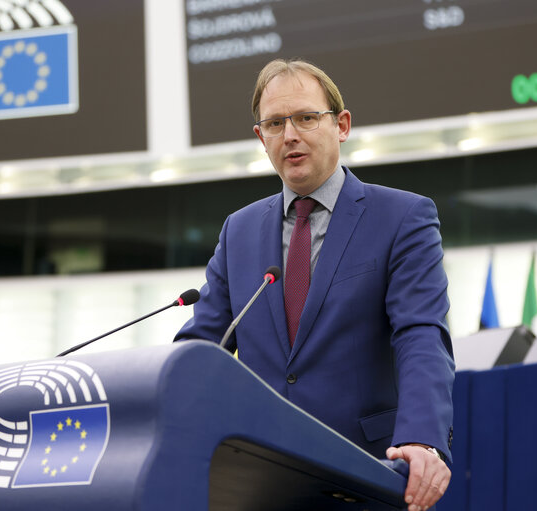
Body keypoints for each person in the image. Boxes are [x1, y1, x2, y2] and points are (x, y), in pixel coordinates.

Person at [175, 58, 454, 511]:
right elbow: (203, 348)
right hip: (259, 480)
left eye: (306, 117)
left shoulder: (403, 217)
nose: (290, 135)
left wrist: (423, 439)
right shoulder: (238, 231)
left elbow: (421, 336)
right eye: (275, 123)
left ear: (341, 125)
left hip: (366, 474)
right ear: (260, 137)